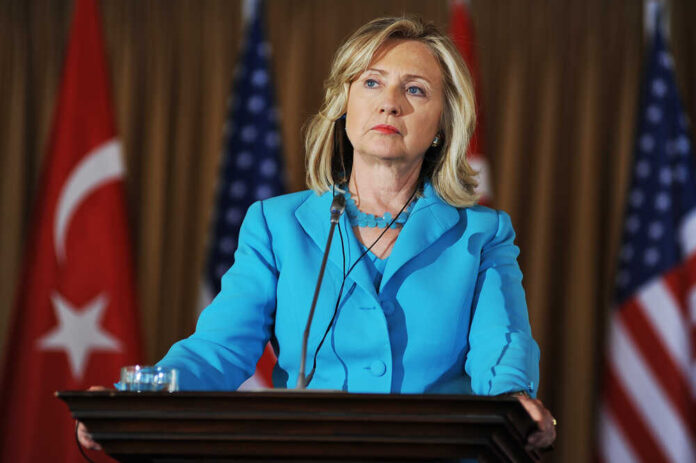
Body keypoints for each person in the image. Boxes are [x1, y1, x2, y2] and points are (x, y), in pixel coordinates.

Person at [79, 16, 556, 452]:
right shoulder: (276, 224)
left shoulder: (482, 235)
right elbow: (221, 346)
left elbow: (502, 342)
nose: (390, 102)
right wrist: (131, 400)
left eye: (415, 90)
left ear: (442, 125)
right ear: (345, 105)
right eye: (372, 82)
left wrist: (513, 398)